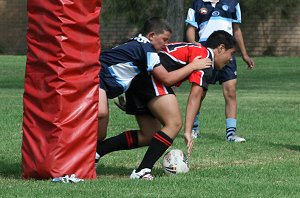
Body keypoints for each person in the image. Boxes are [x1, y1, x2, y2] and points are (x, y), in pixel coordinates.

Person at [96, 30, 236, 179]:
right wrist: (188, 132)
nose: (231, 59)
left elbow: (198, 96)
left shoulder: (195, 49)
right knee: (174, 123)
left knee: (149, 134)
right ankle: (143, 170)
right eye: (231, 53)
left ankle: (97, 151)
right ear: (221, 48)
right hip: (152, 76)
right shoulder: (205, 57)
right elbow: (195, 96)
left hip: (138, 78)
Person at [97, 17, 210, 142]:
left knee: (100, 136)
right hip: (96, 75)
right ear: (151, 35)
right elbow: (167, 79)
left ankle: (88, 157)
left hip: (103, 82)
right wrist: (193, 66)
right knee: (101, 112)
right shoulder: (148, 50)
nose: (166, 44)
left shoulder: (139, 44)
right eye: (164, 39)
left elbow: (134, 74)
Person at [185, 0, 255, 142]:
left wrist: (244, 54)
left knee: (230, 91)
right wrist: (193, 43)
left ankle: (231, 134)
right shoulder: (197, 3)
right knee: (200, 92)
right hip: (206, 53)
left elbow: (236, 30)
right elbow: (191, 27)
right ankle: (194, 128)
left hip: (227, 54)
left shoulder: (232, 3)